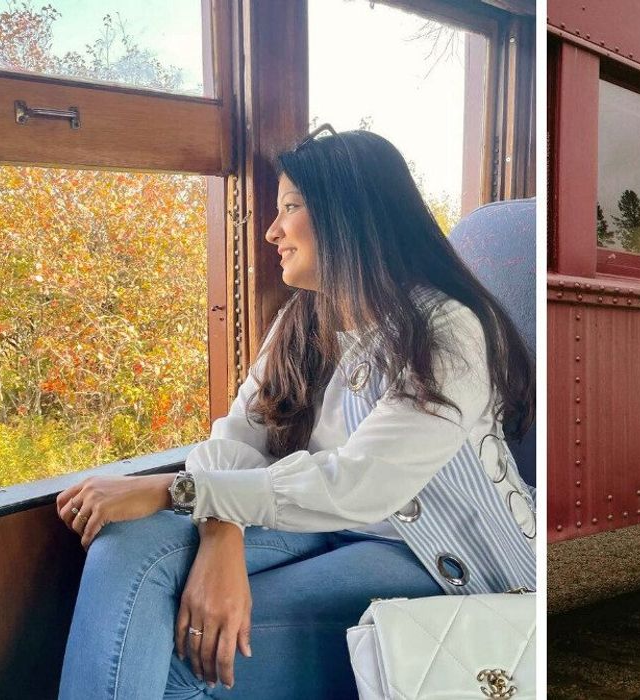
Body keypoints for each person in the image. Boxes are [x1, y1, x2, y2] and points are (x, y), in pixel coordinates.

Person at [54, 127, 536, 699]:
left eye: (290, 208)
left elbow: (359, 486)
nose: (271, 231)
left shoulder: (445, 329)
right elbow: (239, 433)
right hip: (322, 527)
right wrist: (220, 530)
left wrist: (176, 491)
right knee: (124, 543)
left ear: (349, 214)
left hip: (435, 557)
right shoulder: (302, 321)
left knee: (192, 654)